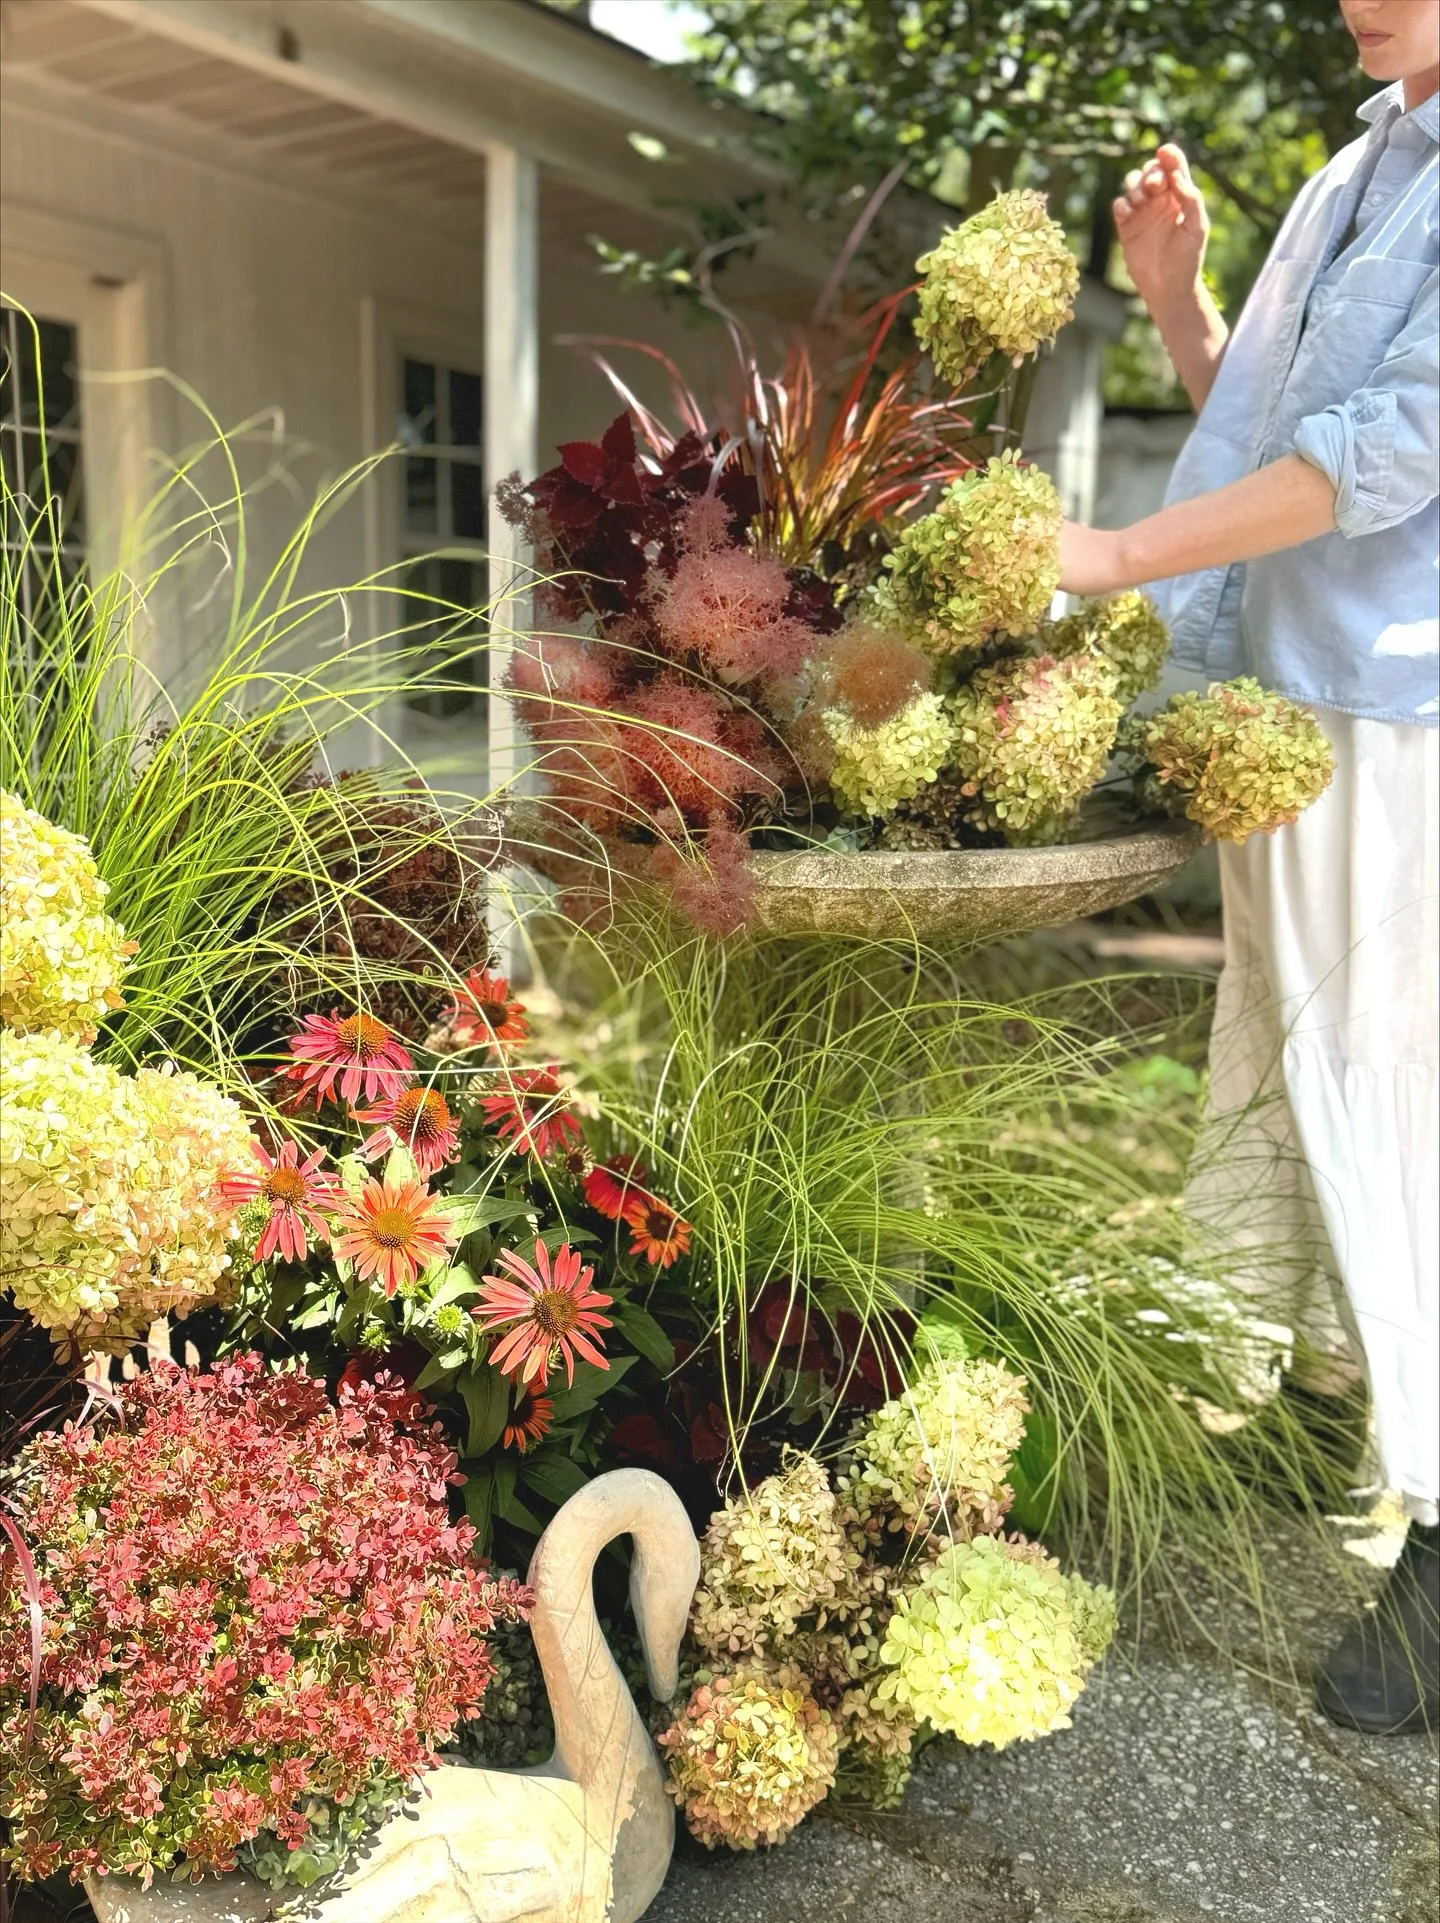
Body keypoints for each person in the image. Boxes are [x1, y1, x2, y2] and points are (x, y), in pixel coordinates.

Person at [1058, 0, 1438, 1735]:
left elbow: (1390, 458)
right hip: (1286, 704)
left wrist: (1113, 551)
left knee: (1400, 1096)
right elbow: (1275, 442)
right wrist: (1175, 302)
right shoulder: (1360, 167)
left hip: (1401, 712)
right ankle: (1318, 1404)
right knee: (1289, 1063)